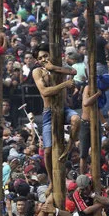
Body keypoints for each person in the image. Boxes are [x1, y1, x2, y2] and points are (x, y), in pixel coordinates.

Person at [32, 44, 80, 182]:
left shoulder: (59, 65)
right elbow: (45, 92)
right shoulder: (37, 72)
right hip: (48, 112)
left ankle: (69, 148)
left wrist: (53, 68)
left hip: (64, 108)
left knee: (76, 119)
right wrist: (64, 85)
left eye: (45, 56)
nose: (43, 59)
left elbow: (73, 71)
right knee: (47, 151)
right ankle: (52, 181)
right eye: (40, 58)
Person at [79, 83, 103, 174]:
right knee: (83, 154)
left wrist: (104, 124)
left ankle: (95, 174)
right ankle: (82, 176)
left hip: (96, 123)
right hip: (85, 123)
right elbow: (86, 103)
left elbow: (98, 109)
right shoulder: (87, 87)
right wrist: (97, 94)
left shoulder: (100, 90)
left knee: (97, 153)